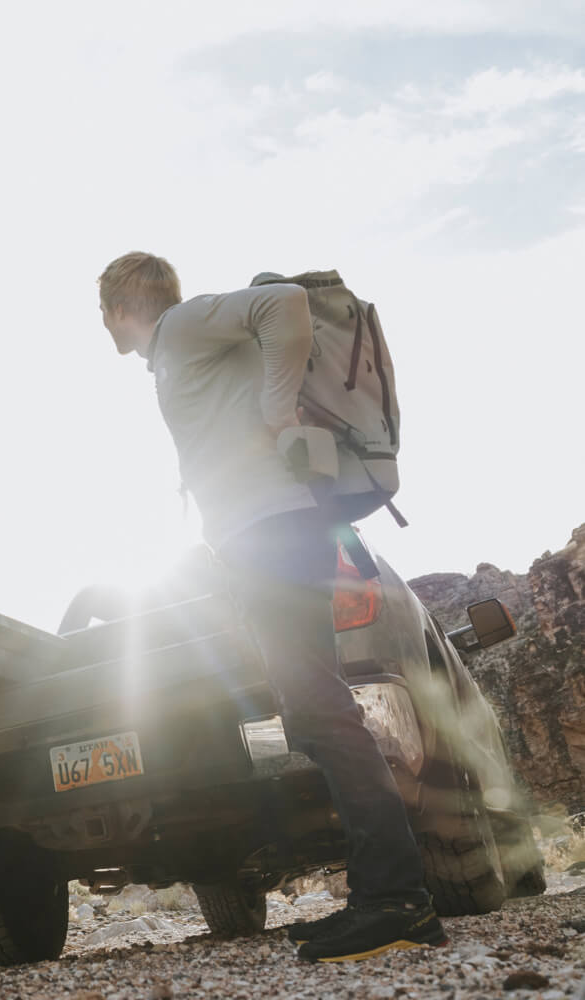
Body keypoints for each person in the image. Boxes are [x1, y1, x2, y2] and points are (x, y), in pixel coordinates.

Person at [95, 252, 445, 963]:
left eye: (102, 311)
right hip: (267, 535)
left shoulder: (183, 326)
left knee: (322, 712)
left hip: (274, 534)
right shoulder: (178, 351)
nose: (102, 325)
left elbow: (282, 300)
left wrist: (278, 408)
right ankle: (383, 893)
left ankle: (398, 901)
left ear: (120, 305)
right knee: (317, 713)